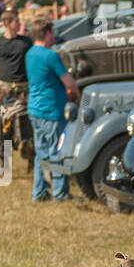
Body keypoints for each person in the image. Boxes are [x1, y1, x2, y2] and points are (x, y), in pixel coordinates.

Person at [25, 17, 79, 201]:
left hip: (34, 108)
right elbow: (69, 82)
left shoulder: (30, 53)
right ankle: (60, 192)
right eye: (52, 32)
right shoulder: (51, 56)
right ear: (47, 33)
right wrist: (77, 98)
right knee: (58, 152)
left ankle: (39, 192)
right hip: (52, 110)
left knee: (41, 153)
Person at [0, 9, 35, 168]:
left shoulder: (26, 42)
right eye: (16, 21)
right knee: (3, 130)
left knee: (27, 129)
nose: (19, 24)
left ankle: (30, 161)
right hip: (4, 92)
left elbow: (34, 65)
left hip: (23, 92)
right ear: (7, 23)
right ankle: (3, 162)